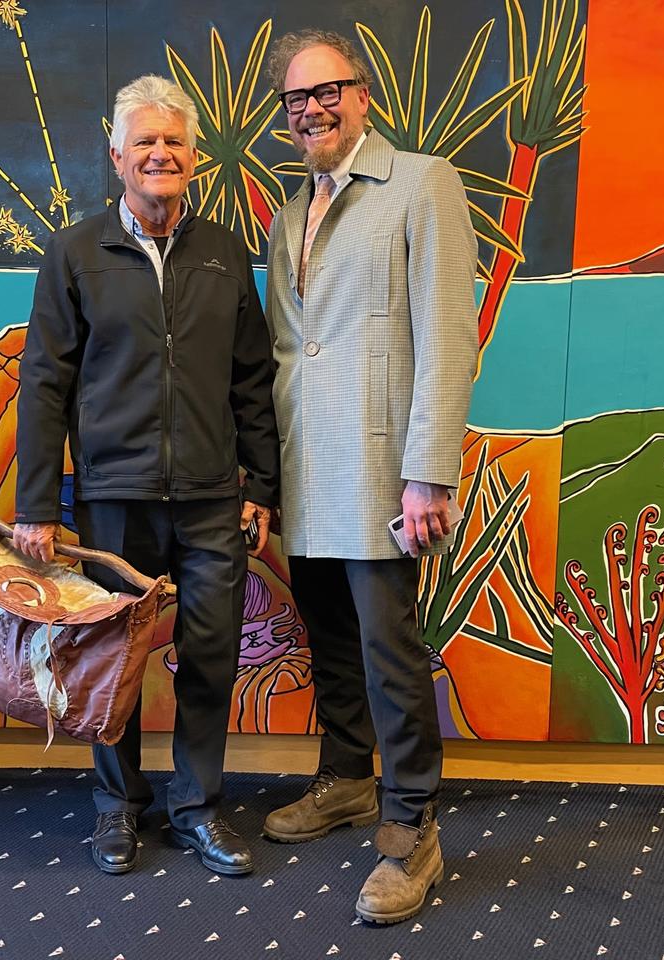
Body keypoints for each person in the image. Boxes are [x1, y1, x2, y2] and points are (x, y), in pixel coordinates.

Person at [13, 75, 278, 877]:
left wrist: (262, 486)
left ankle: (196, 807)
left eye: (174, 142)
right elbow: (44, 382)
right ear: (117, 155)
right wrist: (36, 504)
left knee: (212, 653)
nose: (160, 154)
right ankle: (117, 806)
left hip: (210, 498)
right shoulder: (75, 252)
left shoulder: (224, 253)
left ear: (194, 158)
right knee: (111, 658)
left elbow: (252, 378)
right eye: (146, 142)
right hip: (113, 498)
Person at [261, 31, 478, 923]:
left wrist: (428, 472)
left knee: (390, 652)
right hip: (305, 464)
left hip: (384, 469)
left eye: (328, 91)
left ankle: (411, 829)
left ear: (362, 94)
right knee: (329, 639)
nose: (312, 109)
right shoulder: (289, 213)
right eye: (296, 99)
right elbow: (290, 347)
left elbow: (449, 335)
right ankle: (348, 779)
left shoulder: (422, 183)